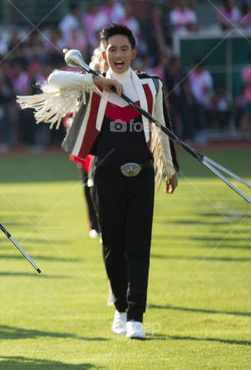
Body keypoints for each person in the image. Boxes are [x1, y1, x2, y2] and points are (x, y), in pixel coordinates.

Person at [20, 23, 178, 340]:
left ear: (134, 52)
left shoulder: (151, 87)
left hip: (143, 175)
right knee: (113, 246)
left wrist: (170, 168)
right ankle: (119, 307)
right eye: (112, 50)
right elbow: (53, 79)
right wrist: (96, 79)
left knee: (139, 247)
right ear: (103, 53)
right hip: (105, 176)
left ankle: (136, 315)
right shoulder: (92, 86)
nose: (118, 55)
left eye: (124, 49)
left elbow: (161, 128)